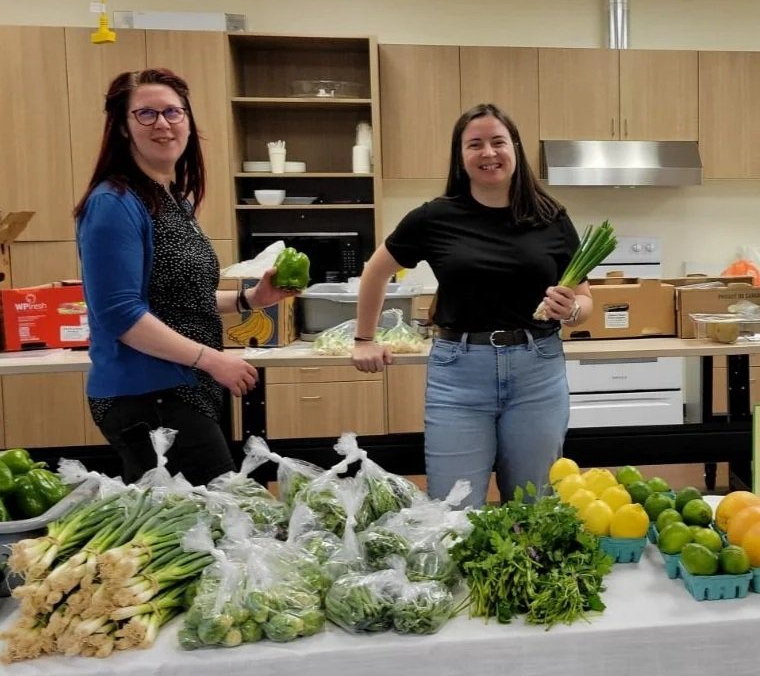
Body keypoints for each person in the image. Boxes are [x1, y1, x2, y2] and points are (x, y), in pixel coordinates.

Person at [351, 103, 592, 507]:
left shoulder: (551, 218)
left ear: (515, 148)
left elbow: (585, 301)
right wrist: (363, 338)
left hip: (538, 373)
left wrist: (570, 310)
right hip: (459, 375)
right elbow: (375, 272)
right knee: (453, 511)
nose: (489, 153)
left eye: (498, 142)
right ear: (461, 157)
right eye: (474, 144)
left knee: (532, 508)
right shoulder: (434, 218)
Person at [74, 68, 296, 485]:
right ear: (123, 128)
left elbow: (178, 299)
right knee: (217, 523)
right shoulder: (114, 203)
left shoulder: (174, 201)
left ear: (189, 123)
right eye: (146, 114)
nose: (163, 123)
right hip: (147, 396)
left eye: (173, 112)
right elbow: (120, 314)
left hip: (182, 389)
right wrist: (212, 359)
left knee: (190, 531)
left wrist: (251, 300)